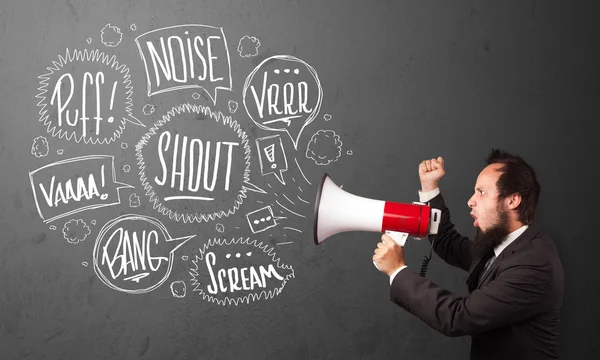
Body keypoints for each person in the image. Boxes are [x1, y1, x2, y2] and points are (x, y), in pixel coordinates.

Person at [372, 149, 564, 360]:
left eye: (481, 192)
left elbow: (458, 317)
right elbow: (448, 243)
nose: (471, 201)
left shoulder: (533, 264)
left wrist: (397, 271)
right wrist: (429, 187)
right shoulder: (506, 244)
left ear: (513, 200)